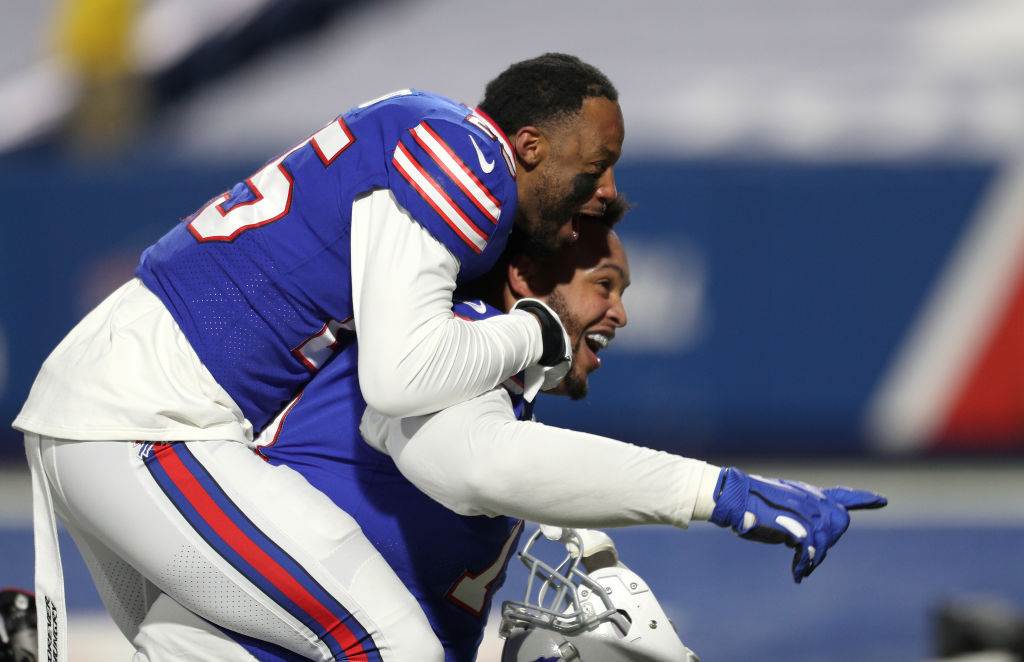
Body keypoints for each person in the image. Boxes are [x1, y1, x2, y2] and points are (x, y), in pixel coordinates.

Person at [13, 52, 625, 662]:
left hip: (121, 402)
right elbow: (401, 379)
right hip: (148, 417)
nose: (607, 190)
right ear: (530, 146)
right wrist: (535, 333)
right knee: (392, 645)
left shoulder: (421, 118)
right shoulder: (471, 163)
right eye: (598, 166)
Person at [132, 202, 884, 661]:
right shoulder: (450, 343)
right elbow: (480, 464)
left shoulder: (486, 379)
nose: (620, 314)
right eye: (604, 286)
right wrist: (719, 492)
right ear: (523, 279)